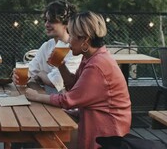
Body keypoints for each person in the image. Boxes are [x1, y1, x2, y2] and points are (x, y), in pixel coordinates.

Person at [25, 11, 132, 149]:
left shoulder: (97, 65)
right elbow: (73, 86)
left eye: (72, 35)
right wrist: (61, 65)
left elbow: (68, 100)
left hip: (107, 135)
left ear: (85, 40)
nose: (69, 40)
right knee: (44, 132)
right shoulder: (90, 58)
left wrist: (35, 96)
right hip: (92, 121)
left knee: (47, 137)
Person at [13, 0, 82, 94]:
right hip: (47, 100)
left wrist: (41, 74)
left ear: (67, 23)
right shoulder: (47, 45)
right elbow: (30, 70)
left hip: (66, 105)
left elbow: (57, 81)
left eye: (52, 21)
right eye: (46, 20)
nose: (46, 24)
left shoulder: (75, 49)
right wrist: (17, 75)